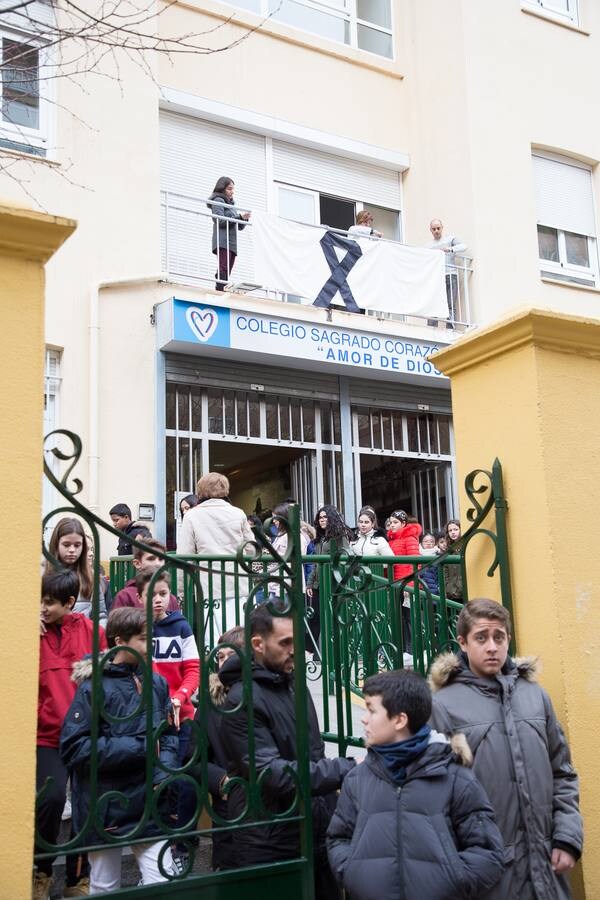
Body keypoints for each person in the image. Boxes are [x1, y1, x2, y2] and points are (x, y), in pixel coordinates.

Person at [429, 599, 583, 900]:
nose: (492, 647)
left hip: (546, 864)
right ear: (462, 642)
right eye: (481, 637)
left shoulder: (535, 697)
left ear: (508, 639)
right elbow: (437, 795)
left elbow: (562, 772)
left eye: (499, 637)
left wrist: (566, 838)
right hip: (488, 873)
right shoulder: (443, 706)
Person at [327, 669, 505, 900]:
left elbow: (487, 851)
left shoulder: (455, 778)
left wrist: (452, 881)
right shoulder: (357, 779)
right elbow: (338, 838)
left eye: (371, 709)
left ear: (400, 720)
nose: (364, 717)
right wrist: (354, 874)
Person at [218, 604, 355, 898]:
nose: (295, 650)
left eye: (298, 641)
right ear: (257, 644)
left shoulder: (294, 685)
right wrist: (347, 769)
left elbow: (313, 755)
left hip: (315, 835)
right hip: (270, 844)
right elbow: (273, 774)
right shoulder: (241, 700)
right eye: (285, 643)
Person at [60, 608, 179, 893]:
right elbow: (75, 747)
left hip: (149, 800)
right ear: (118, 641)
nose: (150, 645)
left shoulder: (157, 682)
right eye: (143, 638)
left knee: (163, 882)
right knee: (104, 887)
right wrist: (141, 747)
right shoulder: (92, 687)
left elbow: (169, 735)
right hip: (106, 804)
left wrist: (163, 773)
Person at [34, 571, 108, 900]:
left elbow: (109, 673)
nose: (41, 608)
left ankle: (78, 878)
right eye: (38, 600)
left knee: (84, 805)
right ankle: (42, 871)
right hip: (46, 735)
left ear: (70, 603)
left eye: (48, 602)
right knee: (49, 801)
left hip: (83, 735)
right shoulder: (31, 632)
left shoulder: (91, 632)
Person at [146, 569, 200, 870]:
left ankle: (183, 842)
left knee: (184, 779)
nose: (158, 600)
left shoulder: (180, 626)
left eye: (163, 594)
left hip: (182, 714)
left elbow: (192, 669)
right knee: (161, 780)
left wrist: (179, 697)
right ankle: (164, 842)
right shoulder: (137, 629)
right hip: (151, 717)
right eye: (152, 594)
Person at [188, 625, 245, 870]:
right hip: (228, 810)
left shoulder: (265, 696)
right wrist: (218, 779)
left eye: (230, 657)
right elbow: (193, 758)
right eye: (220, 657)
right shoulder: (209, 705)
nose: (223, 663)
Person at [177, 472, 255, 633]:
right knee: (242, 636)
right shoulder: (238, 513)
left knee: (214, 640)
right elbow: (251, 549)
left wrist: (181, 591)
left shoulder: (191, 516)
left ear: (201, 490)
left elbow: (185, 555)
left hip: (209, 587)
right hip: (239, 583)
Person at [306, 505, 354, 649]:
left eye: (325, 517)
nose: (322, 520)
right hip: (318, 584)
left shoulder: (339, 536)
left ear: (332, 518)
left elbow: (347, 555)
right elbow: (316, 563)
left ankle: (335, 651)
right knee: (314, 618)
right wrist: (309, 583)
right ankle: (310, 652)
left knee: (333, 618)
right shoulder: (319, 539)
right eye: (320, 517)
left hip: (333, 583)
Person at [45, 517, 107, 626]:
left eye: (77, 545)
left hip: (81, 640)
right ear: (56, 544)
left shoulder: (90, 576)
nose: (72, 550)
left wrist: (97, 635)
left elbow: (100, 614)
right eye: (66, 545)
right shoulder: (43, 573)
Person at [387, 510, 422, 654]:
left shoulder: (410, 539)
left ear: (403, 523)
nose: (392, 525)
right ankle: (401, 649)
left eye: (395, 522)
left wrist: (410, 586)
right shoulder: (391, 540)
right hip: (394, 584)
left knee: (409, 618)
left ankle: (412, 649)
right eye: (390, 523)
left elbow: (415, 564)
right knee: (398, 618)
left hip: (406, 585)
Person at [112, 537, 179, 613]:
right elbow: (117, 624)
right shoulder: (125, 596)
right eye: (151, 559)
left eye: (161, 559)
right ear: (137, 563)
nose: (157, 563)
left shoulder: (171, 598)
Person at [207, 176, 251, 291]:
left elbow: (240, 226)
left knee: (228, 269)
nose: (232, 192)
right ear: (222, 189)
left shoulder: (231, 204)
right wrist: (238, 216)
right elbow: (220, 220)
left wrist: (244, 218)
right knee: (223, 268)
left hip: (231, 242)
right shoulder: (218, 200)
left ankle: (222, 287)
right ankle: (220, 289)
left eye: (233, 189)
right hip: (222, 240)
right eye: (229, 189)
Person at [427, 218, 467, 327]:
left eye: (438, 228)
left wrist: (450, 249)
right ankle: (431, 330)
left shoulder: (450, 239)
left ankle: (450, 329)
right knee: (433, 304)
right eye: (434, 229)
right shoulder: (428, 246)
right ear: (430, 230)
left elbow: (464, 246)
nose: (436, 231)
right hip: (436, 278)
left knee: (450, 305)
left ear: (442, 228)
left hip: (450, 275)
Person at [442, 518, 463, 603]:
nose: (453, 532)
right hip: (451, 593)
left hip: (464, 592)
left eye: (456, 529)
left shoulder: (466, 546)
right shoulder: (448, 550)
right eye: (450, 530)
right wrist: (447, 587)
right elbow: (445, 572)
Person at [418, 531, 440, 596]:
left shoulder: (438, 555)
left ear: (435, 543)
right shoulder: (417, 555)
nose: (428, 543)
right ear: (421, 543)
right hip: (421, 591)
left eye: (431, 541)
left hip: (435, 590)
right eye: (425, 541)